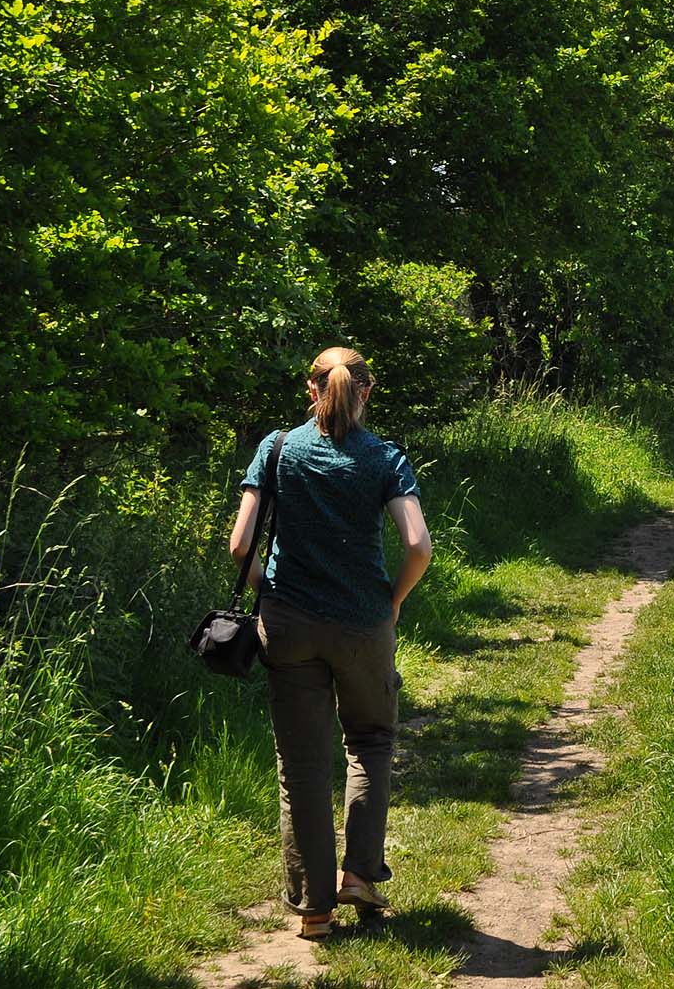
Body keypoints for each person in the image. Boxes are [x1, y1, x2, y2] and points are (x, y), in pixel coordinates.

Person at [226, 346, 432, 940]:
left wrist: (273, 594)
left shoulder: (278, 448)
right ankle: (359, 877)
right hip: (364, 624)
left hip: (288, 624)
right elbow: (418, 546)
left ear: (310, 390)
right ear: (366, 392)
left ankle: (314, 910)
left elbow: (242, 543)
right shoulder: (384, 458)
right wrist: (391, 602)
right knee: (369, 741)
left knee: (302, 767)